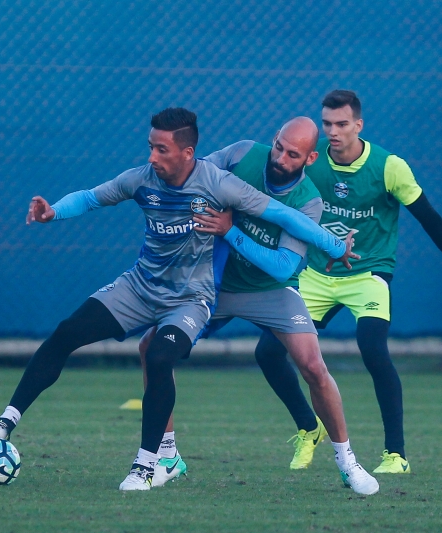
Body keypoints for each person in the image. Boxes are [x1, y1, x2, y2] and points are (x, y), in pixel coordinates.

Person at [0, 107, 355, 491]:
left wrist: (334, 245)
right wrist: (52, 212)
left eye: (161, 150)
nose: (152, 157)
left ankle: (144, 466)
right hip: (140, 286)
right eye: (151, 147)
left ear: (187, 153)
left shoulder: (221, 185)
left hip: (192, 298)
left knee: (159, 355)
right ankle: (5, 423)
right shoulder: (144, 178)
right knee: (67, 332)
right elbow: (91, 197)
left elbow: (289, 220)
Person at [137, 117, 379, 496]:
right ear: (274, 138)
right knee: (151, 348)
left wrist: (229, 229)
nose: (281, 157)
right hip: (213, 285)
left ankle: (348, 462)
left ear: (311, 158)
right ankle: (167, 455)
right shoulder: (243, 154)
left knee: (314, 367)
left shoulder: (309, 201)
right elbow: (193, 175)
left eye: (293, 154)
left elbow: (282, 266)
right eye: (279, 146)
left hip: (270, 290)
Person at [256, 90, 442, 474]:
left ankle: (395, 455)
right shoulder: (310, 163)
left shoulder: (388, 166)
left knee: (373, 350)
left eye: (342, 124)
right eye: (327, 123)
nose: (333, 131)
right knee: (267, 352)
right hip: (317, 274)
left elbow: (429, 218)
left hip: (368, 274)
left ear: (358, 125)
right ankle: (308, 427)